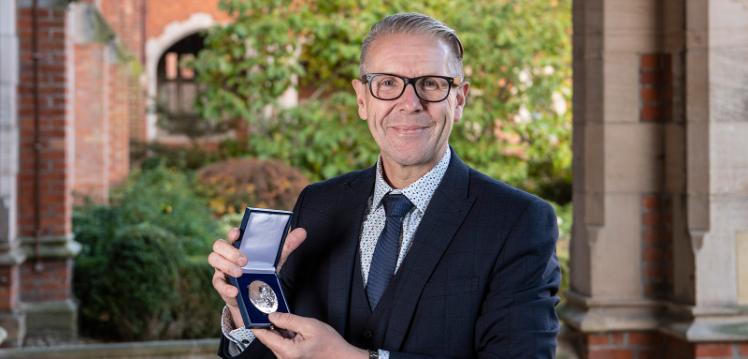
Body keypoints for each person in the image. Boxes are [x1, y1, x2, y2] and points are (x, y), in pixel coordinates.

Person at [209, 12, 561, 359]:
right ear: (363, 99)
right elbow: (281, 347)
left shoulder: (518, 222)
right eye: (388, 83)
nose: (409, 104)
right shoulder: (317, 205)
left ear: (459, 99)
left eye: (432, 83)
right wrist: (246, 313)